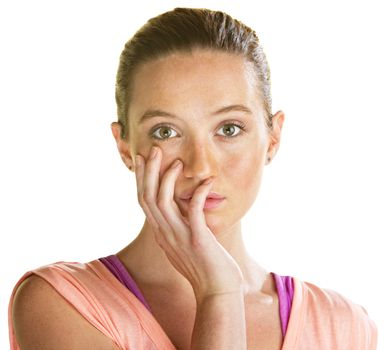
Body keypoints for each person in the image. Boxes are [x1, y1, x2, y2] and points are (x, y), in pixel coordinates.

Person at [8, 7, 377, 350]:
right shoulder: (61, 302)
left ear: (273, 138)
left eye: (230, 128)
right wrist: (219, 294)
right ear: (124, 147)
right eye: (166, 132)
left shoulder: (344, 327)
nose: (200, 167)